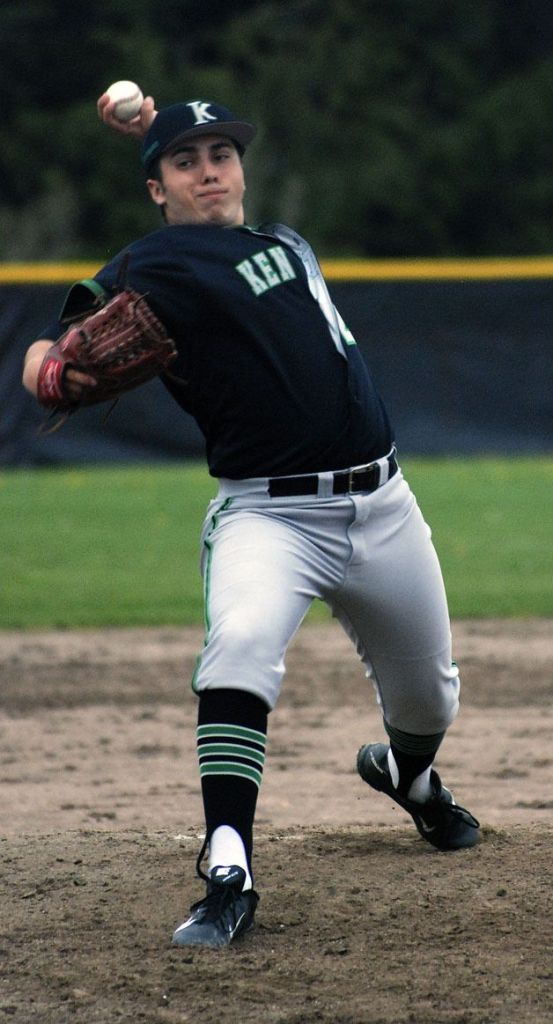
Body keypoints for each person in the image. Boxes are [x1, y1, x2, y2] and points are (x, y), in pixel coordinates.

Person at [22, 91, 480, 951]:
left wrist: (166, 125)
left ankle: (410, 779)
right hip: (270, 517)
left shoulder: (285, 243)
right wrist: (49, 372)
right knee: (238, 648)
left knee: (429, 698)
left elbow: (208, 183)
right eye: (185, 162)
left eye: (220, 155)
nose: (209, 172)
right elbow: (51, 345)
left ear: (240, 169)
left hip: (383, 505)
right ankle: (228, 869)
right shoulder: (154, 262)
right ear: (156, 188)